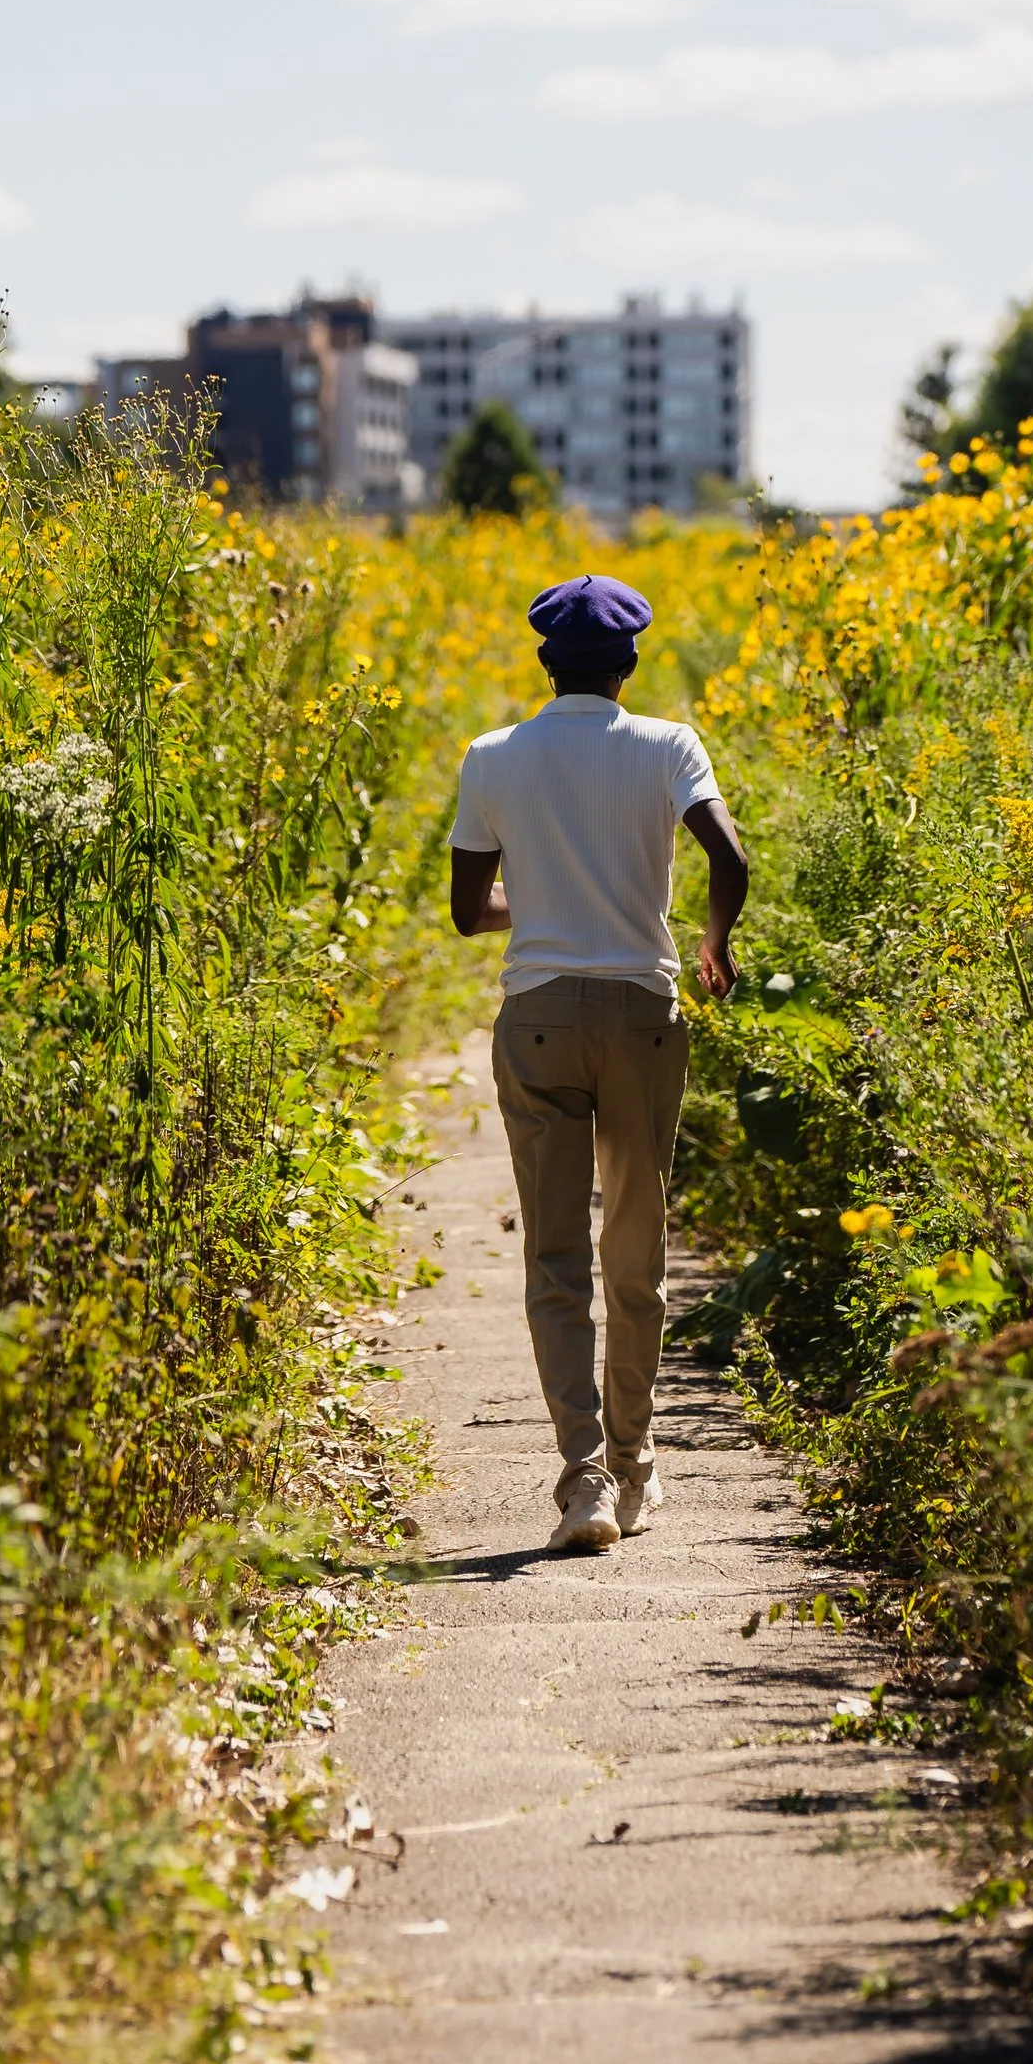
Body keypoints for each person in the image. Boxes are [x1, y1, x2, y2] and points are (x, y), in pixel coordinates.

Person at [448, 571, 748, 1554]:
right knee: (636, 1248)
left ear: (546, 662)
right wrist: (713, 943)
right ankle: (634, 1465)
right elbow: (730, 860)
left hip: (536, 1022)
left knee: (552, 1255)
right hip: (641, 1019)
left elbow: (468, 912)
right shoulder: (668, 747)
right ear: (628, 664)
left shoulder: (492, 757)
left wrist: (536, 909)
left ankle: (582, 1485)